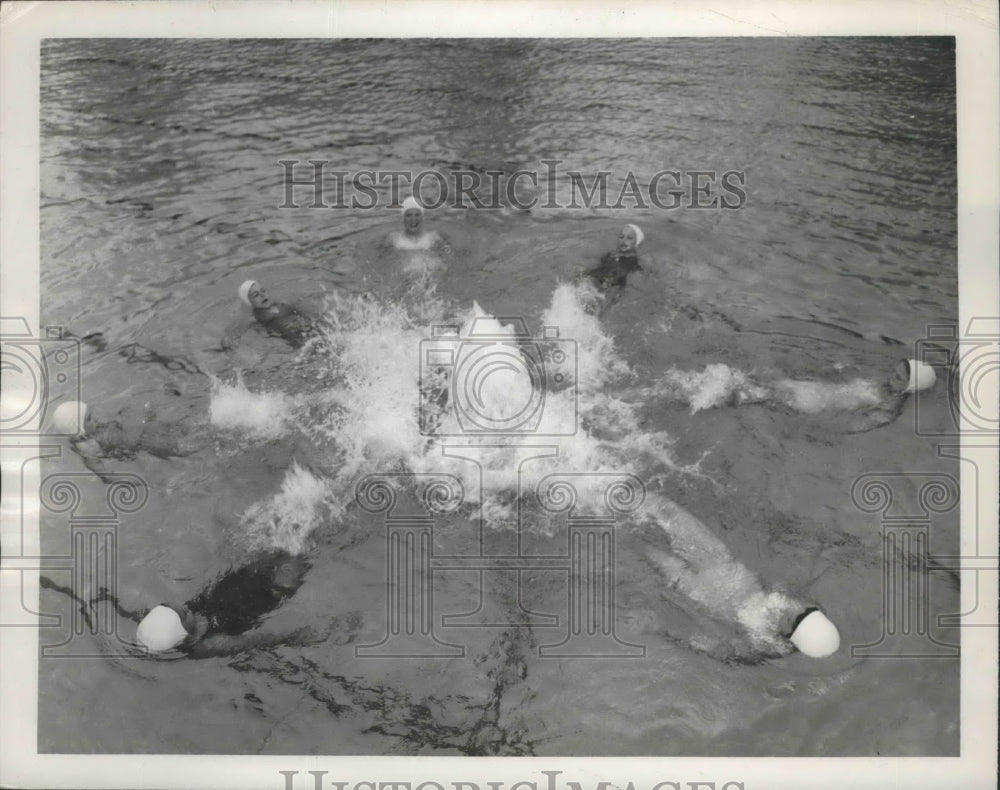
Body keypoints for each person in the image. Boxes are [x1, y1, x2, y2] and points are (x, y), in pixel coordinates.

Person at [51, 399, 191, 463]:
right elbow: (105, 472)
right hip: (139, 442)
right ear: (78, 428)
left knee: (164, 427)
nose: (95, 419)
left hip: (133, 433)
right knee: (178, 447)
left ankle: (151, 421)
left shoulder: (89, 434)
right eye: (89, 418)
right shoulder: (87, 446)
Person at [222, 280, 322, 350]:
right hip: (299, 340)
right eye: (256, 295)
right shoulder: (255, 318)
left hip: (311, 328)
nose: (262, 295)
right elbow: (235, 332)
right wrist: (228, 344)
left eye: (263, 290)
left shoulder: (283, 303)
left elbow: (303, 312)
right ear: (249, 302)